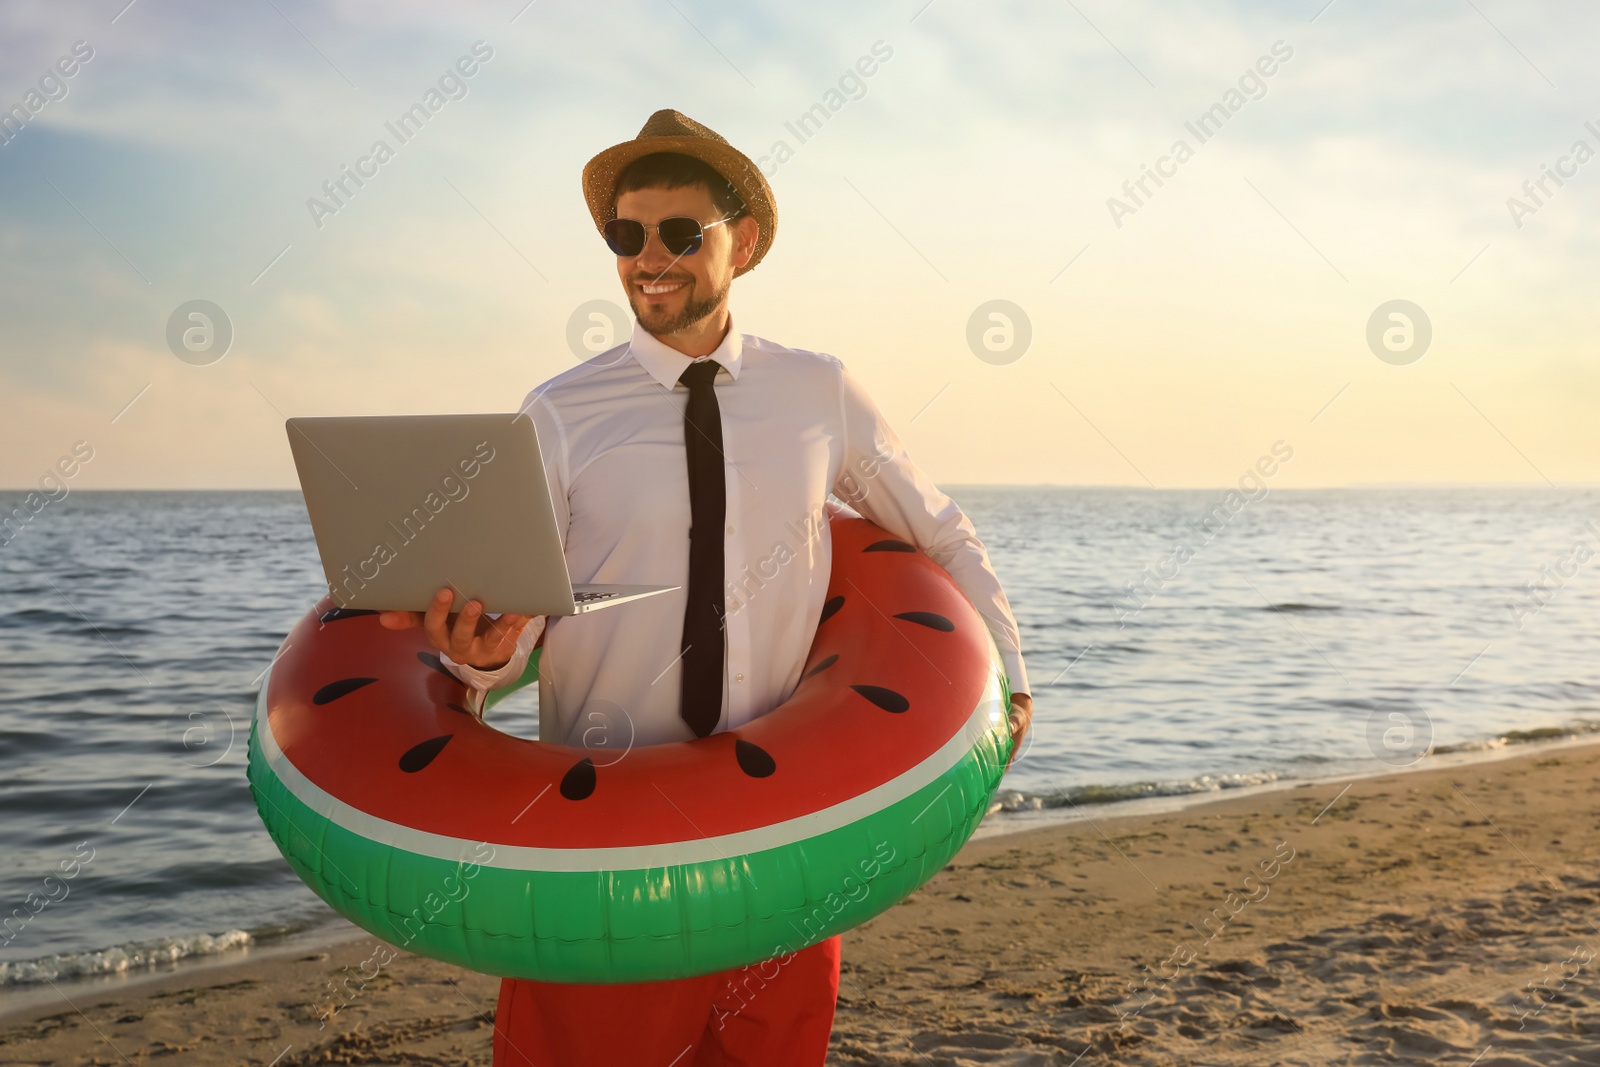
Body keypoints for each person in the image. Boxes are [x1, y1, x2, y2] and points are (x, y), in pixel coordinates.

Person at [378, 108, 1032, 1067]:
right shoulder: (558, 413)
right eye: (626, 236)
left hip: (782, 846)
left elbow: (937, 530)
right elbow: (521, 618)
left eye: (680, 233)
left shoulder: (817, 391)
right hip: (609, 855)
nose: (651, 257)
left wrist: (1010, 676)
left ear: (745, 242)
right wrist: (478, 659)